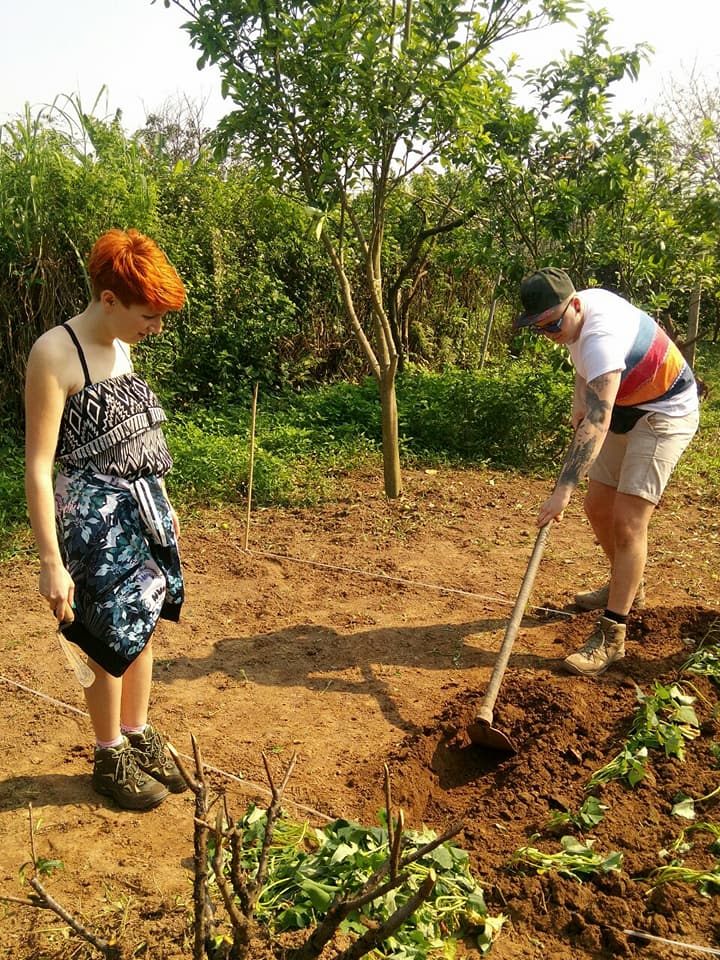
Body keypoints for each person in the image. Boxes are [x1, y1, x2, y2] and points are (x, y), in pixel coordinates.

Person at [25, 228, 188, 809]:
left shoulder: (123, 344)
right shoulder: (54, 353)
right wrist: (51, 562)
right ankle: (107, 752)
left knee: (142, 623)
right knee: (105, 635)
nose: (155, 327)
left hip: (139, 508)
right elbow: (39, 468)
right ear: (110, 300)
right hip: (91, 522)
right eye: (149, 315)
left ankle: (138, 735)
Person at [516, 267, 700, 677]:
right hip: (626, 407)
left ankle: (612, 636)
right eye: (540, 329)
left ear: (575, 304)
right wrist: (578, 397)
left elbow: (597, 423)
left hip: (664, 412)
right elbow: (582, 366)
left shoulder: (600, 337)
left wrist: (561, 490)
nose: (550, 333)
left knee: (628, 521)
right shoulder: (573, 318)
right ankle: (625, 584)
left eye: (553, 324)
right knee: (598, 504)